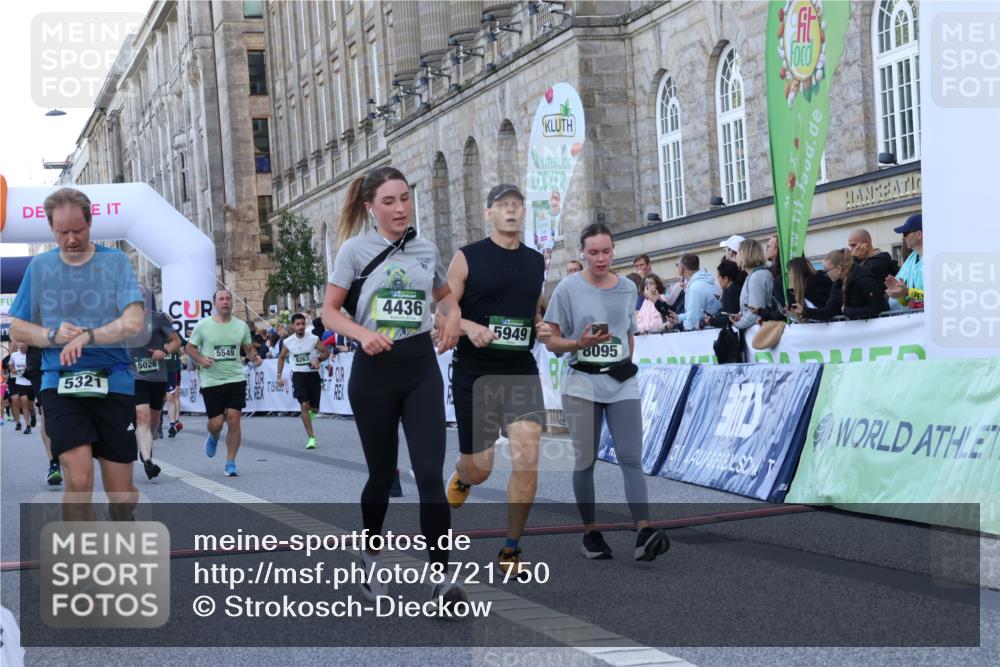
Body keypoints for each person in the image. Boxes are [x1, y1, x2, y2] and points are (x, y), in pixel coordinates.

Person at [321, 165, 467, 605]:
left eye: (404, 198)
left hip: (420, 366)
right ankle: (370, 557)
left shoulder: (426, 248)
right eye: (389, 201)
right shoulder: (353, 251)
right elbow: (329, 312)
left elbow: (445, 296)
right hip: (374, 372)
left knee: (430, 475)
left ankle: (441, 580)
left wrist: (453, 318)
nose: (401, 208)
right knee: (382, 476)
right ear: (371, 208)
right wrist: (361, 335)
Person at [8, 186, 145, 521]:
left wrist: (90, 336)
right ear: (51, 227)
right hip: (60, 383)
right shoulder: (40, 267)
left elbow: (134, 320)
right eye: (62, 232)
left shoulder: (115, 262)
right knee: (79, 480)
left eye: (78, 231)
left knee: (122, 496)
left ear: (91, 222)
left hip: (114, 382)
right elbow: (17, 329)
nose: (70, 239)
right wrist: (51, 335)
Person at [537, 223, 670, 562]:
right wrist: (579, 343)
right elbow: (552, 342)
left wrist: (624, 362)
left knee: (631, 457)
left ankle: (643, 531)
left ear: (614, 251)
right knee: (586, 460)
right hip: (581, 383)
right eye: (593, 252)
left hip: (621, 382)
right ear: (582, 253)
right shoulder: (567, 289)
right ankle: (591, 533)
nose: (600, 258)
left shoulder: (627, 288)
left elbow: (627, 332)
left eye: (606, 251)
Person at [444, 183, 546, 576]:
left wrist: (542, 327)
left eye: (517, 205)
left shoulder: (535, 261)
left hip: (520, 369)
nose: (511, 211)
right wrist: (469, 327)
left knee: (528, 459)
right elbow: (443, 312)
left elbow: (531, 312)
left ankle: (511, 548)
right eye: (503, 205)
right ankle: (463, 476)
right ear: (489, 213)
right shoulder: (467, 257)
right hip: (476, 371)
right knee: (481, 468)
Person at [186, 289, 263, 476]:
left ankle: (230, 462)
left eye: (228, 298)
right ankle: (213, 435)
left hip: (235, 378)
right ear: (215, 303)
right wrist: (201, 359)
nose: (225, 302)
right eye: (221, 299)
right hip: (211, 381)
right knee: (217, 423)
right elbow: (190, 347)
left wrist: (255, 357)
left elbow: (248, 348)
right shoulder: (203, 325)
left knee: (234, 419)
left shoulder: (241, 326)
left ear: (231, 302)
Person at [127, 288, 183, 480]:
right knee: (142, 417)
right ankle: (148, 461)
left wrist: (164, 351)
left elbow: (176, 341)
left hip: (158, 377)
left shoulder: (158, 318)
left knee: (153, 421)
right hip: (135, 376)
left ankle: (146, 446)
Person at [276, 312, 330, 450]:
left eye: (302, 324)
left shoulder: (313, 339)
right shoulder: (288, 342)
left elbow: (326, 352)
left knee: (315, 409)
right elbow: (281, 358)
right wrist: (279, 376)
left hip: (313, 376)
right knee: (304, 404)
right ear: (293, 326)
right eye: (297, 324)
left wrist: (318, 359)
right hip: (298, 376)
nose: (300, 326)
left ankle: (307, 416)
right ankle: (311, 437)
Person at [791, 249, 887, 322]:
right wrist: (804, 311)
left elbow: (878, 307)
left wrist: (848, 311)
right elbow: (828, 311)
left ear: (839, 269)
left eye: (827, 270)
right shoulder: (837, 284)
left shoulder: (863, 279)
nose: (825, 274)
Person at [25, 343, 62, 485]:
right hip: (38, 363)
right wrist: (21, 341)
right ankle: (54, 464)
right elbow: (16, 334)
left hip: (71, 358)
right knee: (46, 410)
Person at [730, 239, 774, 331]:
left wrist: (736, 325)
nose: (735, 256)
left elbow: (755, 313)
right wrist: (740, 316)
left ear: (746, 254)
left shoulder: (757, 277)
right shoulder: (754, 275)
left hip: (761, 332)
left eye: (738, 253)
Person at [674, 254, 721, 331]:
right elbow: (697, 312)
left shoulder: (696, 287)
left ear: (682, 268)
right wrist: (678, 318)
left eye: (678, 265)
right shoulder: (710, 282)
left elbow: (692, 322)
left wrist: (683, 324)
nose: (677, 267)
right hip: (713, 331)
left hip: (706, 334)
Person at [886, 214, 923, 310]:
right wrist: (900, 293)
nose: (903, 237)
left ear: (919, 234)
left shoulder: (935, 261)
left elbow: (934, 297)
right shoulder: (911, 258)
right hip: (915, 317)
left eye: (906, 233)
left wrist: (908, 292)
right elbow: (905, 303)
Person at [705, 259, 744, 328]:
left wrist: (712, 321)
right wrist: (714, 316)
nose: (718, 280)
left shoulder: (733, 290)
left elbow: (730, 318)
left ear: (726, 279)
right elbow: (725, 311)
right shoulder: (728, 289)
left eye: (719, 277)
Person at [7, 344, 36, 435]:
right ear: (19, 347)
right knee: (23, 401)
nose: (23, 348)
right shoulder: (14, 355)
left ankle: (33, 414)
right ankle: (28, 426)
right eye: (21, 346)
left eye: (25, 347)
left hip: (31, 383)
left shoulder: (33, 354)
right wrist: (13, 370)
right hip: (20, 382)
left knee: (31, 406)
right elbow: (10, 365)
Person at [766, 235, 785, 308]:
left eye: (768, 246)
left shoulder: (783, 272)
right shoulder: (770, 270)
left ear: (776, 249)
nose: (766, 249)